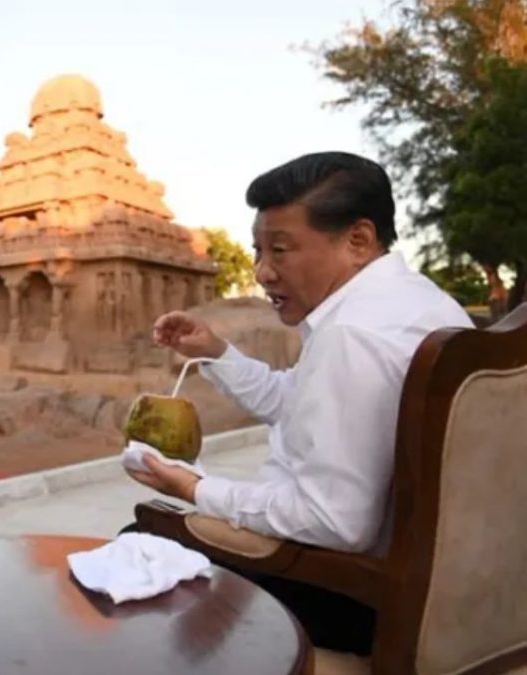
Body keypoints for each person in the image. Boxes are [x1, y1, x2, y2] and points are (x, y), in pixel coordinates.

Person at [124, 151, 473, 654]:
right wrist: (215, 352)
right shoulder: (422, 305)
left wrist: (196, 488)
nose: (262, 272)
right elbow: (300, 401)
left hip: (360, 598)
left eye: (280, 251)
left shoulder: (351, 335)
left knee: (141, 543)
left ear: (358, 240)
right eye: (257, 251)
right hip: (451, 592)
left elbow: (333, 522)